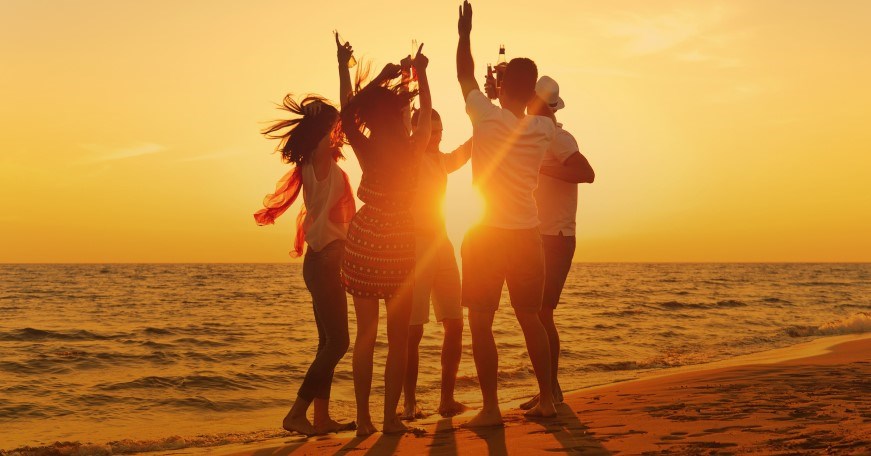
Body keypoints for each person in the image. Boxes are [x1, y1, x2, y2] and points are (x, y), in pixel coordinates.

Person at [455, 0, 558, 427]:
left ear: (502, 85)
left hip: (487, 233)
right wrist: (514, 90)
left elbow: (463, 74)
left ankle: (492, 409)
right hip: (527, 233)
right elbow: (541, 108)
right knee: (531, 317)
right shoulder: (544, 128)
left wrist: (465, 35)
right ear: (531, 90)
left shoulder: (485, 117)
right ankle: (549, 399)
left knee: (481, 321)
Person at [339, 40, 432, 435]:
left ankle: (363, 420)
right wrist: (423, 74)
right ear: (398, 114)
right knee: (396, 340)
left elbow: (347, 114)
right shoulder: (413, 147)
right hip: (397, 238)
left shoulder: (366, 145)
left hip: (363, 238)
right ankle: (390, 418)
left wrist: (354, 71)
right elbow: (426, 111)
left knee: (365, 334)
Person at [253, 92, 357, 436]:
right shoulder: (321, 158)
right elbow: (342, 117)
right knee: (339, 343)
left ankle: (322, 417)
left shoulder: (312, 162)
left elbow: (339, 120)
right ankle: (297, 413)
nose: (337, 130)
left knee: (326, 342)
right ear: (325, 129)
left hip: (320, 261)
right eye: (331, 126)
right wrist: (341, 78)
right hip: (325, 260)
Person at [520, 75, 596, 411]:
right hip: (541, 234)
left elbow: (587, 172)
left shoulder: (560, 138)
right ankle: (550, 390)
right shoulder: (539, 136)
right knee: (538, 312)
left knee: (541, 313)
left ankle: (551, 392)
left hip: (558, 236)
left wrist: (544, 171)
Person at [401, 108, 472, 420]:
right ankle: (409, 404)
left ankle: (446, 400)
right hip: (414, 248)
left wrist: (486, 120)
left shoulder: (442, 161)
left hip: (442, 245)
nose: (439, 135)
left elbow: (466, 151)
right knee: (412, 332)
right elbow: (404, 125)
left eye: (441, 130)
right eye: (433, 131)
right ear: (418, 132)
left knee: (455, 323)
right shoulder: (409, 158)